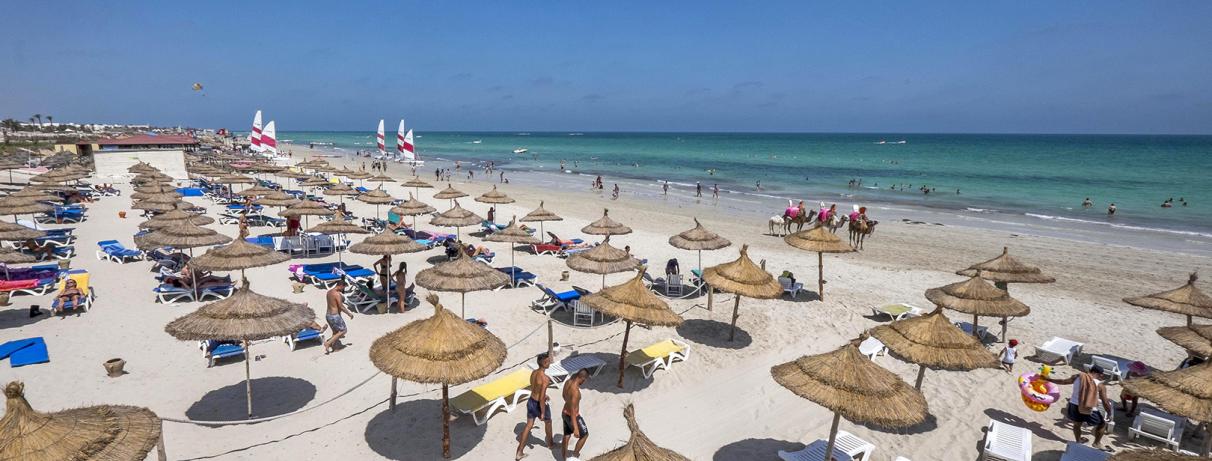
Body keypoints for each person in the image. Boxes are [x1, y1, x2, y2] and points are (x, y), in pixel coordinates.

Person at [1045, 365, 1113, 447]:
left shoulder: (1077, 376)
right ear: (1095, 372)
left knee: (1077, 424)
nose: (1102, 376)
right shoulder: (1100, 385)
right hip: (1088, 408)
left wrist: (1048, 379)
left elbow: (1063, 381)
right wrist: (1109, 412)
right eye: (1101, 374)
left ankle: (1078, 441)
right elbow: (1105, 402)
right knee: (1102, 424)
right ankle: (1096, 443)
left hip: (1073, 405)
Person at [516, 353, 555, 460]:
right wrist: (542, 412)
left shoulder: (533, 373)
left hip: (531, 401)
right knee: (548, 422)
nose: (550, 362)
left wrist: (543, 395)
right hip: (539, 404)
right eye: (548, 361)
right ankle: (551, 444)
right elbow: (541, 398)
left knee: (528, 425)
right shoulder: (545, 378)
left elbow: (534, 388)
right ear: (545, 363)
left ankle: (519, 452)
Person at [561, 369, 590, 460]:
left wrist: (569, 403)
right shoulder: (576, 392)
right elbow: (573, 411)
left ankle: (564, 457)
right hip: (573, 416)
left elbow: (563, 395)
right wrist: (576, 428)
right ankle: (575, 455)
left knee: (567, 435)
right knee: (584, 435)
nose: (584, 382)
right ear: (581, 378)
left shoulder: (567, 382)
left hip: (564, 412)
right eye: (584, 380)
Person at [323, 279, 354, 354]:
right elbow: (341, 306)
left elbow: (333, 304)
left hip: (328, 315)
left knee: (335, 332)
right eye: (343, 287)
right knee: (343, 330)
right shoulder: (337, 294)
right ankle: (328, 343)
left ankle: (335, 348)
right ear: (340, 285)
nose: (343, 289)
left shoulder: (329, 292)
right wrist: (349, 314)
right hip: (334, 316)